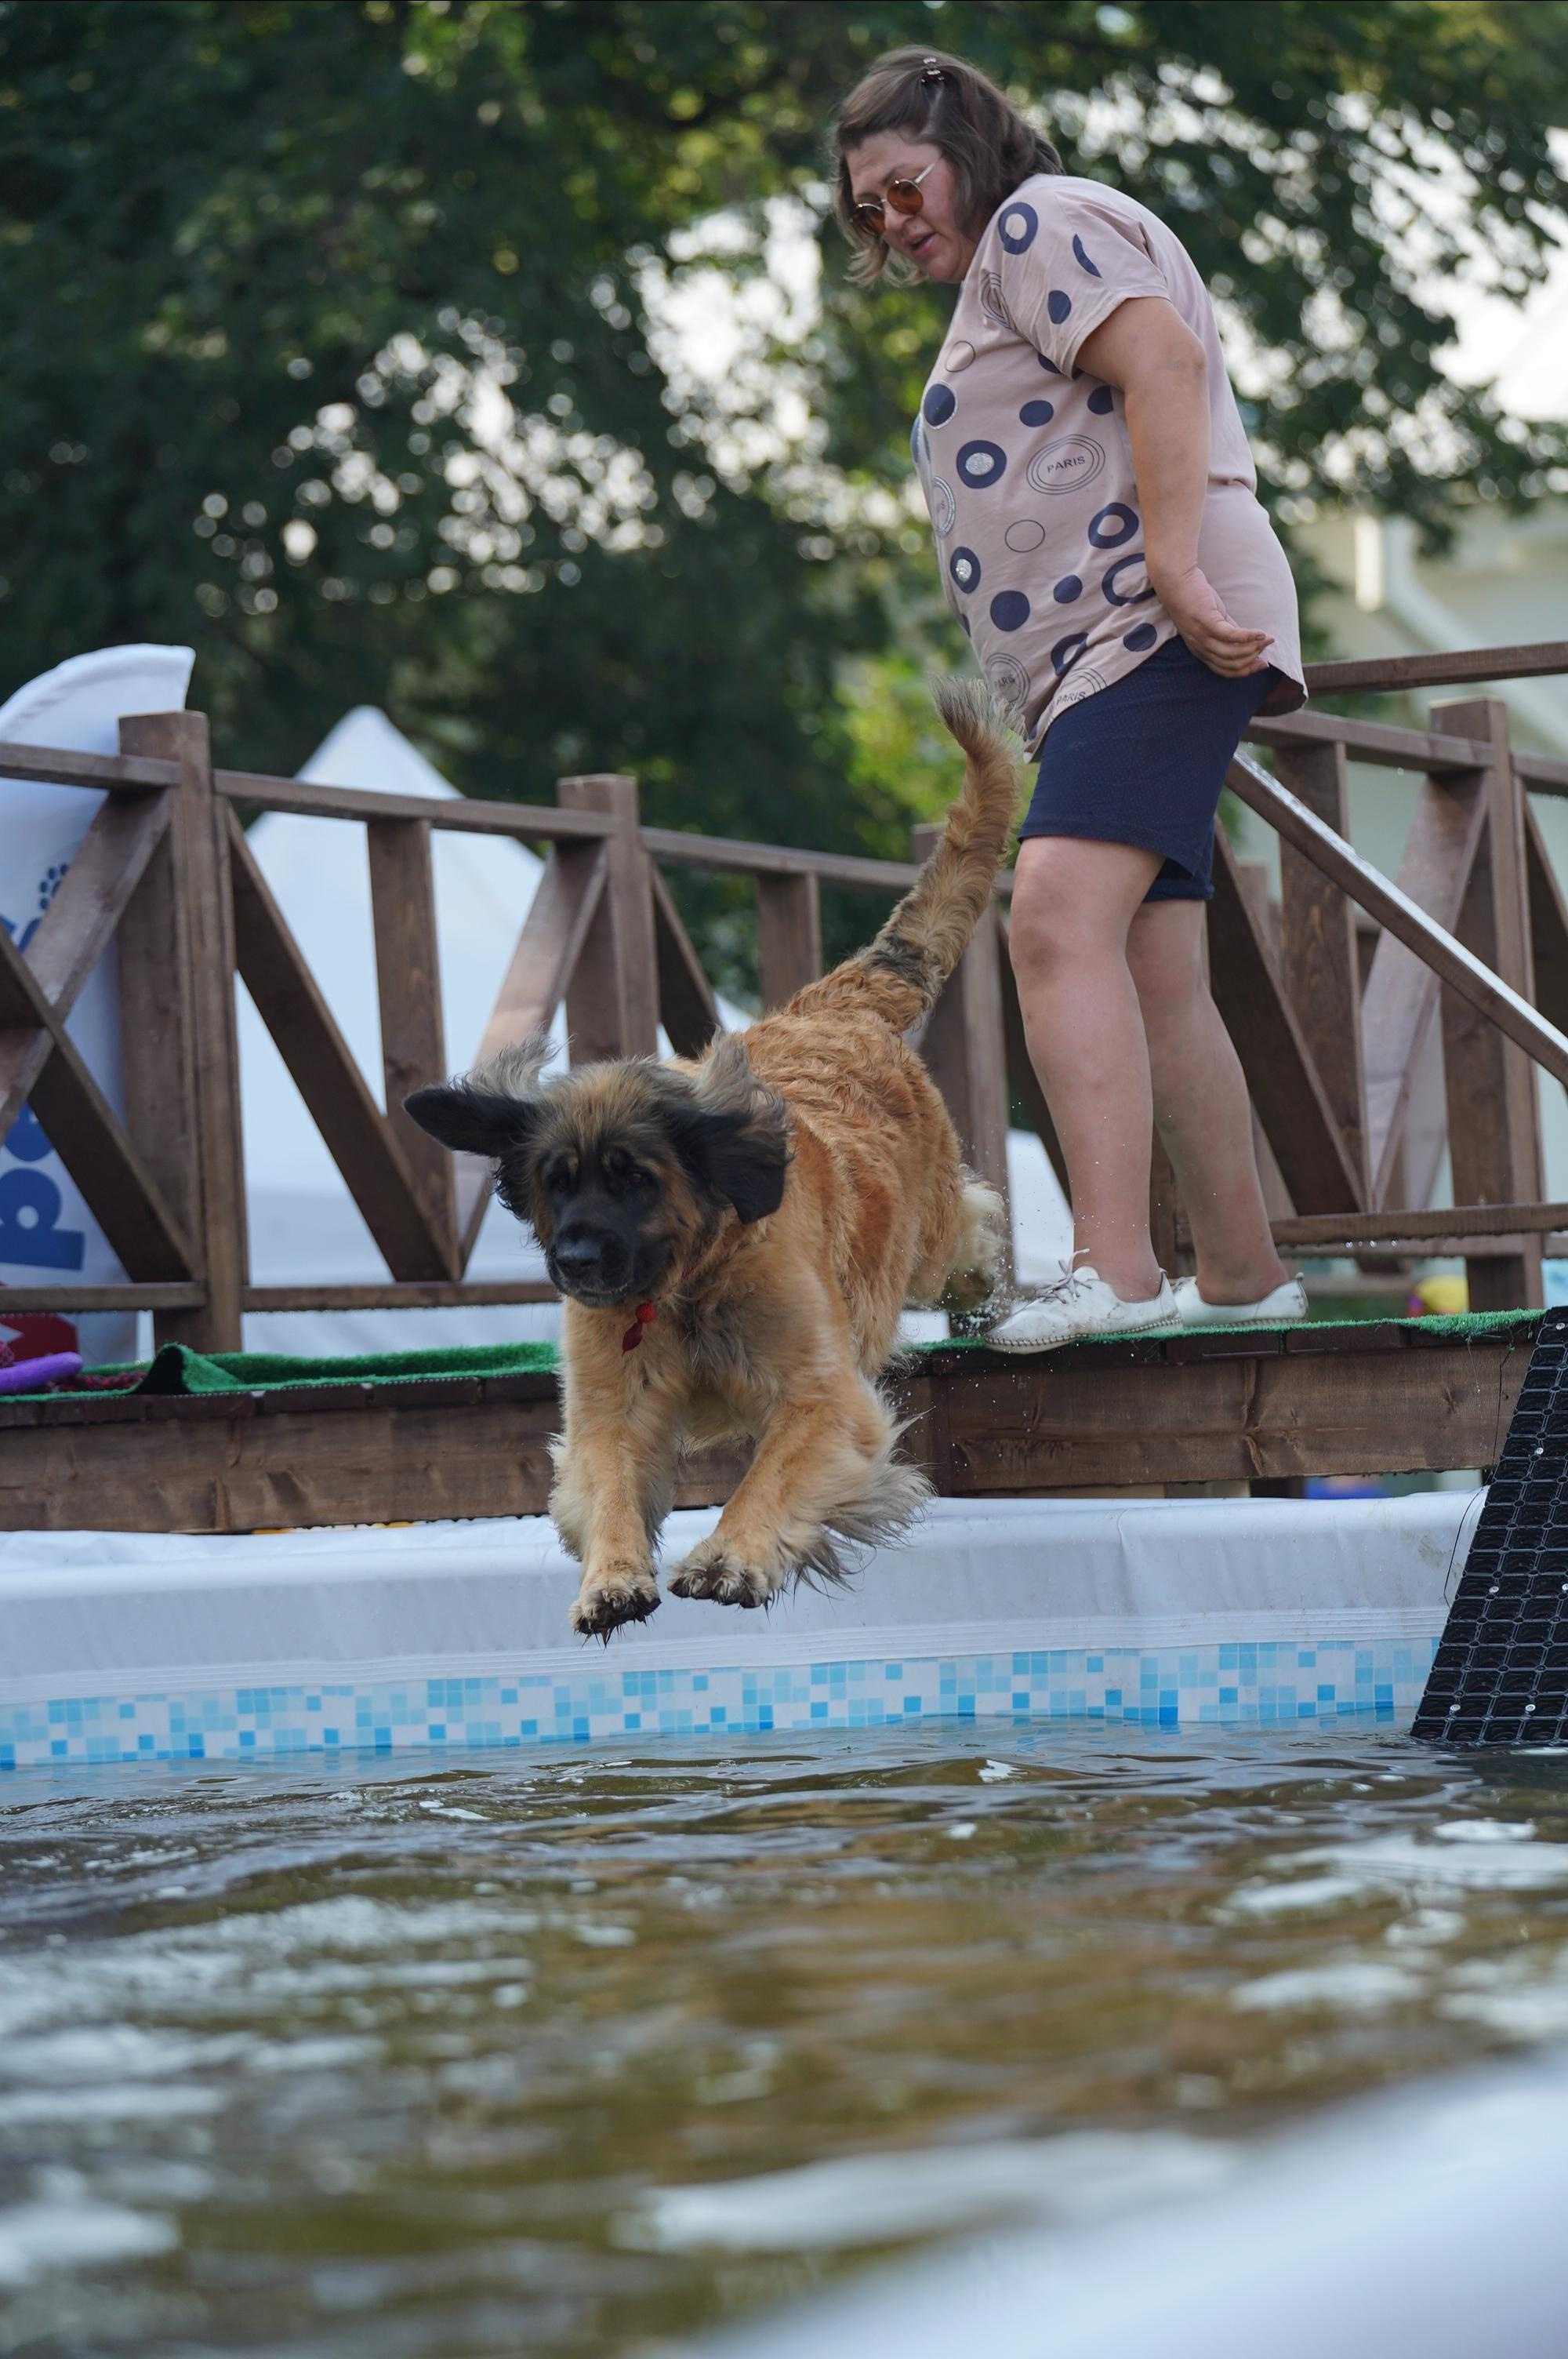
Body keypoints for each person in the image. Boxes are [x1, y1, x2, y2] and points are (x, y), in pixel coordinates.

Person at [833, 48, 1309, 1351]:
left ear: (969, 149)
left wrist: (1167, 565)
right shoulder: (1018, 262)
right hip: (1105, 653)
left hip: (1149, 627)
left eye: (905, 185)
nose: (892, 220)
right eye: (866, 208)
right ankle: (1243, 1269)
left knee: (1047, 919)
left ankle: (1113, 1268)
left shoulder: (1045, 222)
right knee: (1154, 966)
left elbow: (1161, 368)